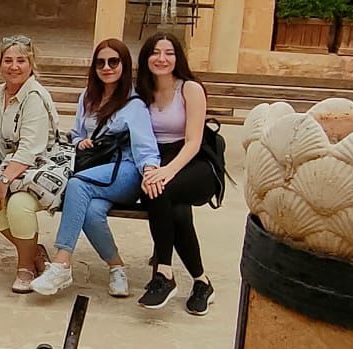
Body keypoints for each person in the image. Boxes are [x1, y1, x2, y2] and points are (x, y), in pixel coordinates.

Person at [30, 40, 159, 297]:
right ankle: (116, 267)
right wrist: (81, 141)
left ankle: (62, 263)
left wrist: (151, 172)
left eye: (113, 62)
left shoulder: (134, 105)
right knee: (89, 212)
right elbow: (75, 134)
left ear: (124, 65)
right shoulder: (88, 97)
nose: (107, 67)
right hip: (94, 169)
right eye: (101, 62)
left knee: (77, 185)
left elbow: (145, 148)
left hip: (124, 171)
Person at [137, 31, 218, 315]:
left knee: (161, 189)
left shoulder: (190, 89)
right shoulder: (142, 92)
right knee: (177, 211)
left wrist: (166, 172)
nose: (162, 59)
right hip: (154, 159)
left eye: (168, 53)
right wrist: (152, 169)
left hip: (193, 161)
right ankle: (201, 281)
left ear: (177, 57)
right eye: (155, 53)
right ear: (146, 58)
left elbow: (194, 141)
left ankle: (164, 272)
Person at [0, 35, 61, 294]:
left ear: (31, 64)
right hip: (13, 165)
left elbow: (30, 149)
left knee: (17, 205)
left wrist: (4, 181)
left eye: (21, 61)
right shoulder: (1, 92)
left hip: (41, 167)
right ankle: (35, 252)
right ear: (0, 63)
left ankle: (25, 266)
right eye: (8, 60)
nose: (14, 66)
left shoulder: (34, 96)